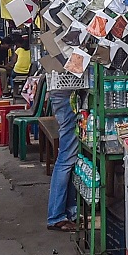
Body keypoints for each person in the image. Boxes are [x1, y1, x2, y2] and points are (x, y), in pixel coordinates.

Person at [46, 85, 79, 232]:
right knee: (65, 160)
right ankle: (56, 216)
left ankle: (68, 212)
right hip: (66, 95)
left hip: (63, 95)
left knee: (69, 159)